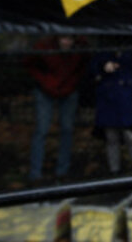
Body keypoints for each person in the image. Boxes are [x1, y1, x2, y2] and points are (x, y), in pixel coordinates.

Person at [24, 35, 88, 182]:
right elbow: (29, 63)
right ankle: (35, 174)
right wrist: (44, 81)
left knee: (67, 129)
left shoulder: (80, 48)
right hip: (45, 90)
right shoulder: (43, 47)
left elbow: (83, 66)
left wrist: (72, 83)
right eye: (64, 39)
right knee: (42, 129)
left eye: (70, 39)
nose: (67, 42)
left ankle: (62, 171)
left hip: (69, 89)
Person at [90, 44, 132, 174]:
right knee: (111, 137)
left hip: (129, 99)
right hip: (108, 99)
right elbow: (92, 68)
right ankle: (115, 172)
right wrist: (103, 67)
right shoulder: (104, 47)